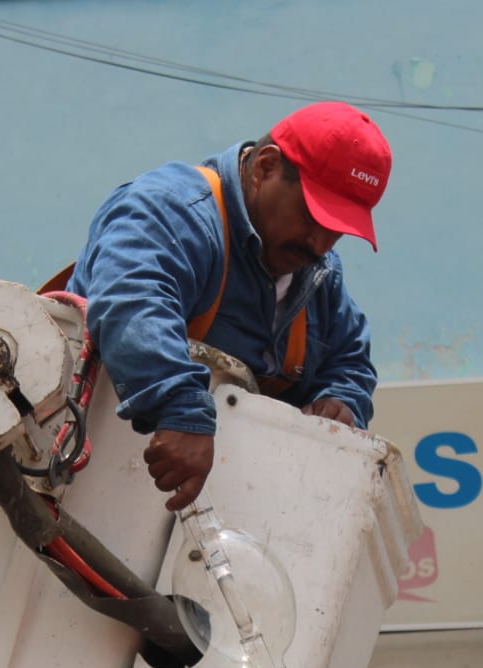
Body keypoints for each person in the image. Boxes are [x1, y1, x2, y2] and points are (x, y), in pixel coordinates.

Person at [68, 103, 392, 512]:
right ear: (265, 168)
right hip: (84, 474)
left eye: (338, 231)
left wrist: (339, 401)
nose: (320, 244)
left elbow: (350, 360)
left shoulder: (319, 275)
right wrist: (180, 408)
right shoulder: (172, 210)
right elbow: (133, 302)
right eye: (313, 215)